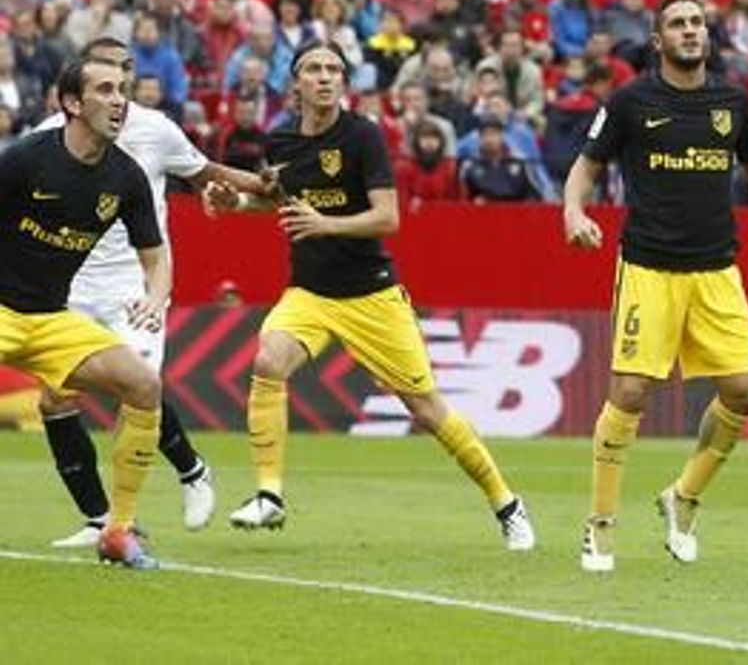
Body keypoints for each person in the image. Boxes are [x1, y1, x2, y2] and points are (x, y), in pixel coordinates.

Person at [203, 42, 533, 550]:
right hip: (310, 292)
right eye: (314, 69)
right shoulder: (281, 140)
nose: (325, 77)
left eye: (334, 70)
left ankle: (507, 504)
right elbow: (282, 202)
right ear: (295, 82)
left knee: (427, 410)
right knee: (269, 360)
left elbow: (388, 217)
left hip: (371, 294)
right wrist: (238, 204)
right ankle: (269, 495)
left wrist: (325, 224)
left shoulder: (363, 136)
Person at [563, 0, 748, 573]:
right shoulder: (630, 101)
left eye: (697, 22)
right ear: (658, 40)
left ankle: (684, 497)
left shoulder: (732, 102)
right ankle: (600, 526)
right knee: (629, 393)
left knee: (744, 392)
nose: (690, 31)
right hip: (649, 267)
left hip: (716, 269)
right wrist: (573, 210)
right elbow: (587, 165)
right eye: (677, 24)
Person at [37, 39, 270, 548]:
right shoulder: (49, 136)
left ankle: (189, 471)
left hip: (136, 285)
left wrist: (264, 186)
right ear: (80, 86)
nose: (119, 86)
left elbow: (206, 172)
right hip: (71, 285)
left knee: (135, 388)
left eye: (126, 72)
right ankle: (99, 520)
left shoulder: (155, 130)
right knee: (54, 398)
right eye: (107, 74)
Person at [0, 56, 172, 569]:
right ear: (73, 104)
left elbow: (155, 257)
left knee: (144, 385)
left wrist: (155, 295)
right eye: (105, 90)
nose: (119, 101)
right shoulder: (26, 158)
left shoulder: (126, 177)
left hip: (52, 319)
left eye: (123, 90)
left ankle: (117, 531)